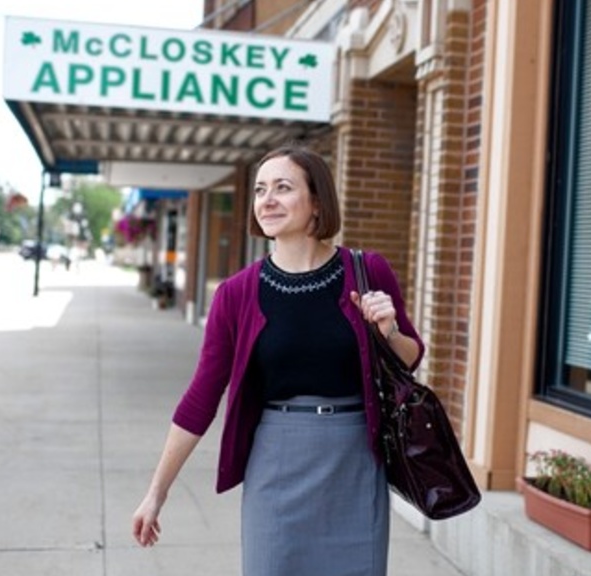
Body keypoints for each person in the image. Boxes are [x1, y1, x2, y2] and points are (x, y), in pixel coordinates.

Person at [131, 142, 425, 576]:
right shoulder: (236, 293)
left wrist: (389, 332)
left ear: (317, 202)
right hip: (276, 462)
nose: (267, 200)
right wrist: (157, 492)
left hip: (354, 462)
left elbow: (410, 357)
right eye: (260, 190)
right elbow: (201, 397)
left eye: (282, 188)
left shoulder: (367, 270)